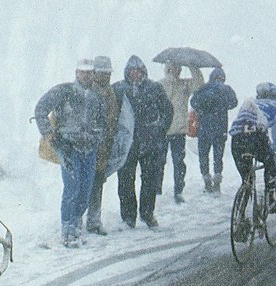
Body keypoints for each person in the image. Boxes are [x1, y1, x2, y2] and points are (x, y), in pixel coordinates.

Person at [34, 59, 108, 247]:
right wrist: (48, 133)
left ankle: (76, 224)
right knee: (72, 189)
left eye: (89, 72)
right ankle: (67, 229)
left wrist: (97, 137)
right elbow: (40, 108)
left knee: (85, 190)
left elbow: (103, 122)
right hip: (68, 147)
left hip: (89, 149)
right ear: (76, 73)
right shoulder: (64, 91)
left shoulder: (97, 96)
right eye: (82, 72)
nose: (86, 76)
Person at [113, 55, 173, 228]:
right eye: (131, 71)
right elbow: (110, 112)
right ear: (126, 72)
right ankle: (128, 216)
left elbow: (168, 110)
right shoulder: (119, 89)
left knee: (149, 179)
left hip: (150, 142)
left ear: (143, 72)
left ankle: (147, 213)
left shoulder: (155, 88)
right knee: (125, 180)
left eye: (138, 71)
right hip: (127, 143)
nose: (135, 74)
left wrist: (160, 129)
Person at [228, 83, 276, 214]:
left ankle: (240, 216)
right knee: (270, 164)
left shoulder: (250, 103)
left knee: (247, 180)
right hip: (257, 137)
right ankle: (270, 199)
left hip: (237, 139)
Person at [159, 61, 204, 203]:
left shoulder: (184, 84)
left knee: (178, 162)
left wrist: (192, 66)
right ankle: (156, 189)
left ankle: (178, 190)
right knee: (159, 162)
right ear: (168, 68)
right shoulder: (161, 84)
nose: (176, 70)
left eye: (179, 67)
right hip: (163, 130)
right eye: (173, 67)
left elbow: (199, 84)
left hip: (178, 131)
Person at [86, 55, 120, 236]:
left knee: (97, 183)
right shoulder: (88, 91)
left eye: (108, 73)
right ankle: (77, 221)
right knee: (85, 185)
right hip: (88, 146)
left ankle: (93, 220)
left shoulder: (110, 92)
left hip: (104, 146)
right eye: (102, 73)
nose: (106, 76)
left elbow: (113, 118)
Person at [189, 66, 238, 192]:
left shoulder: (203, 88)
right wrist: (222, 104)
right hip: (220, 128)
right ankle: (217, 182)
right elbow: (234, 103)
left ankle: (206, 180)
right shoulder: (226, 89)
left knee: (203, 155)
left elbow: (193, 102)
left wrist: (203, 107)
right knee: (218, 156)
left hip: (204, 128)